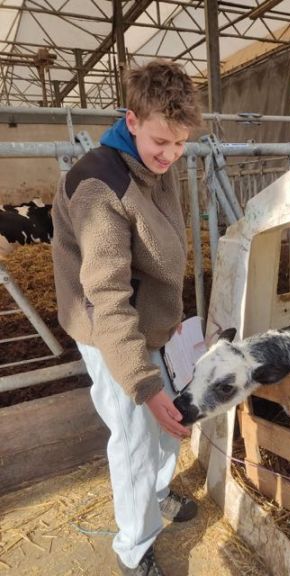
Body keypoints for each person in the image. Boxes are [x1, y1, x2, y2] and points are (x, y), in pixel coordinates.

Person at [52, 59, 202, 576]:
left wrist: (171, 311)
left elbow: (165, 246)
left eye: (181, 144)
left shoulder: (159, 164)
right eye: (163, 141)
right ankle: (134, 550)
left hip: (148, 320)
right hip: (109, 328)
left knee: (165, 424)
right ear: (131, 120)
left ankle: (158, 495)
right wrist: (141, 380)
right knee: (136, 436)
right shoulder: (99, 186)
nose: (172, 155)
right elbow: (106, 296)